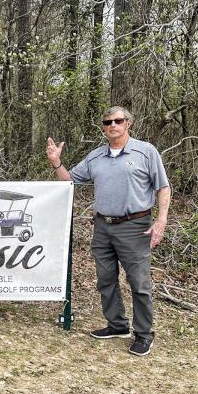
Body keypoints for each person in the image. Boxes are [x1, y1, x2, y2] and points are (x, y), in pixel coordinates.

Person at [46, 106, 171, 356]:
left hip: (135, 226)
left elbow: (163, 187)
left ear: (128, 123)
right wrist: (56, 162)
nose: (113, 125)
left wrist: (160, 222)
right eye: (108, 122)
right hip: (103, 226)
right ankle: (117, 325)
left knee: (139, 283)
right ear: (103, 127)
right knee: (106, 280)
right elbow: (70, 180)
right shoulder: (96, 157)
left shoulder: (146, 152)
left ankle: (144, 334)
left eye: (118, 121)